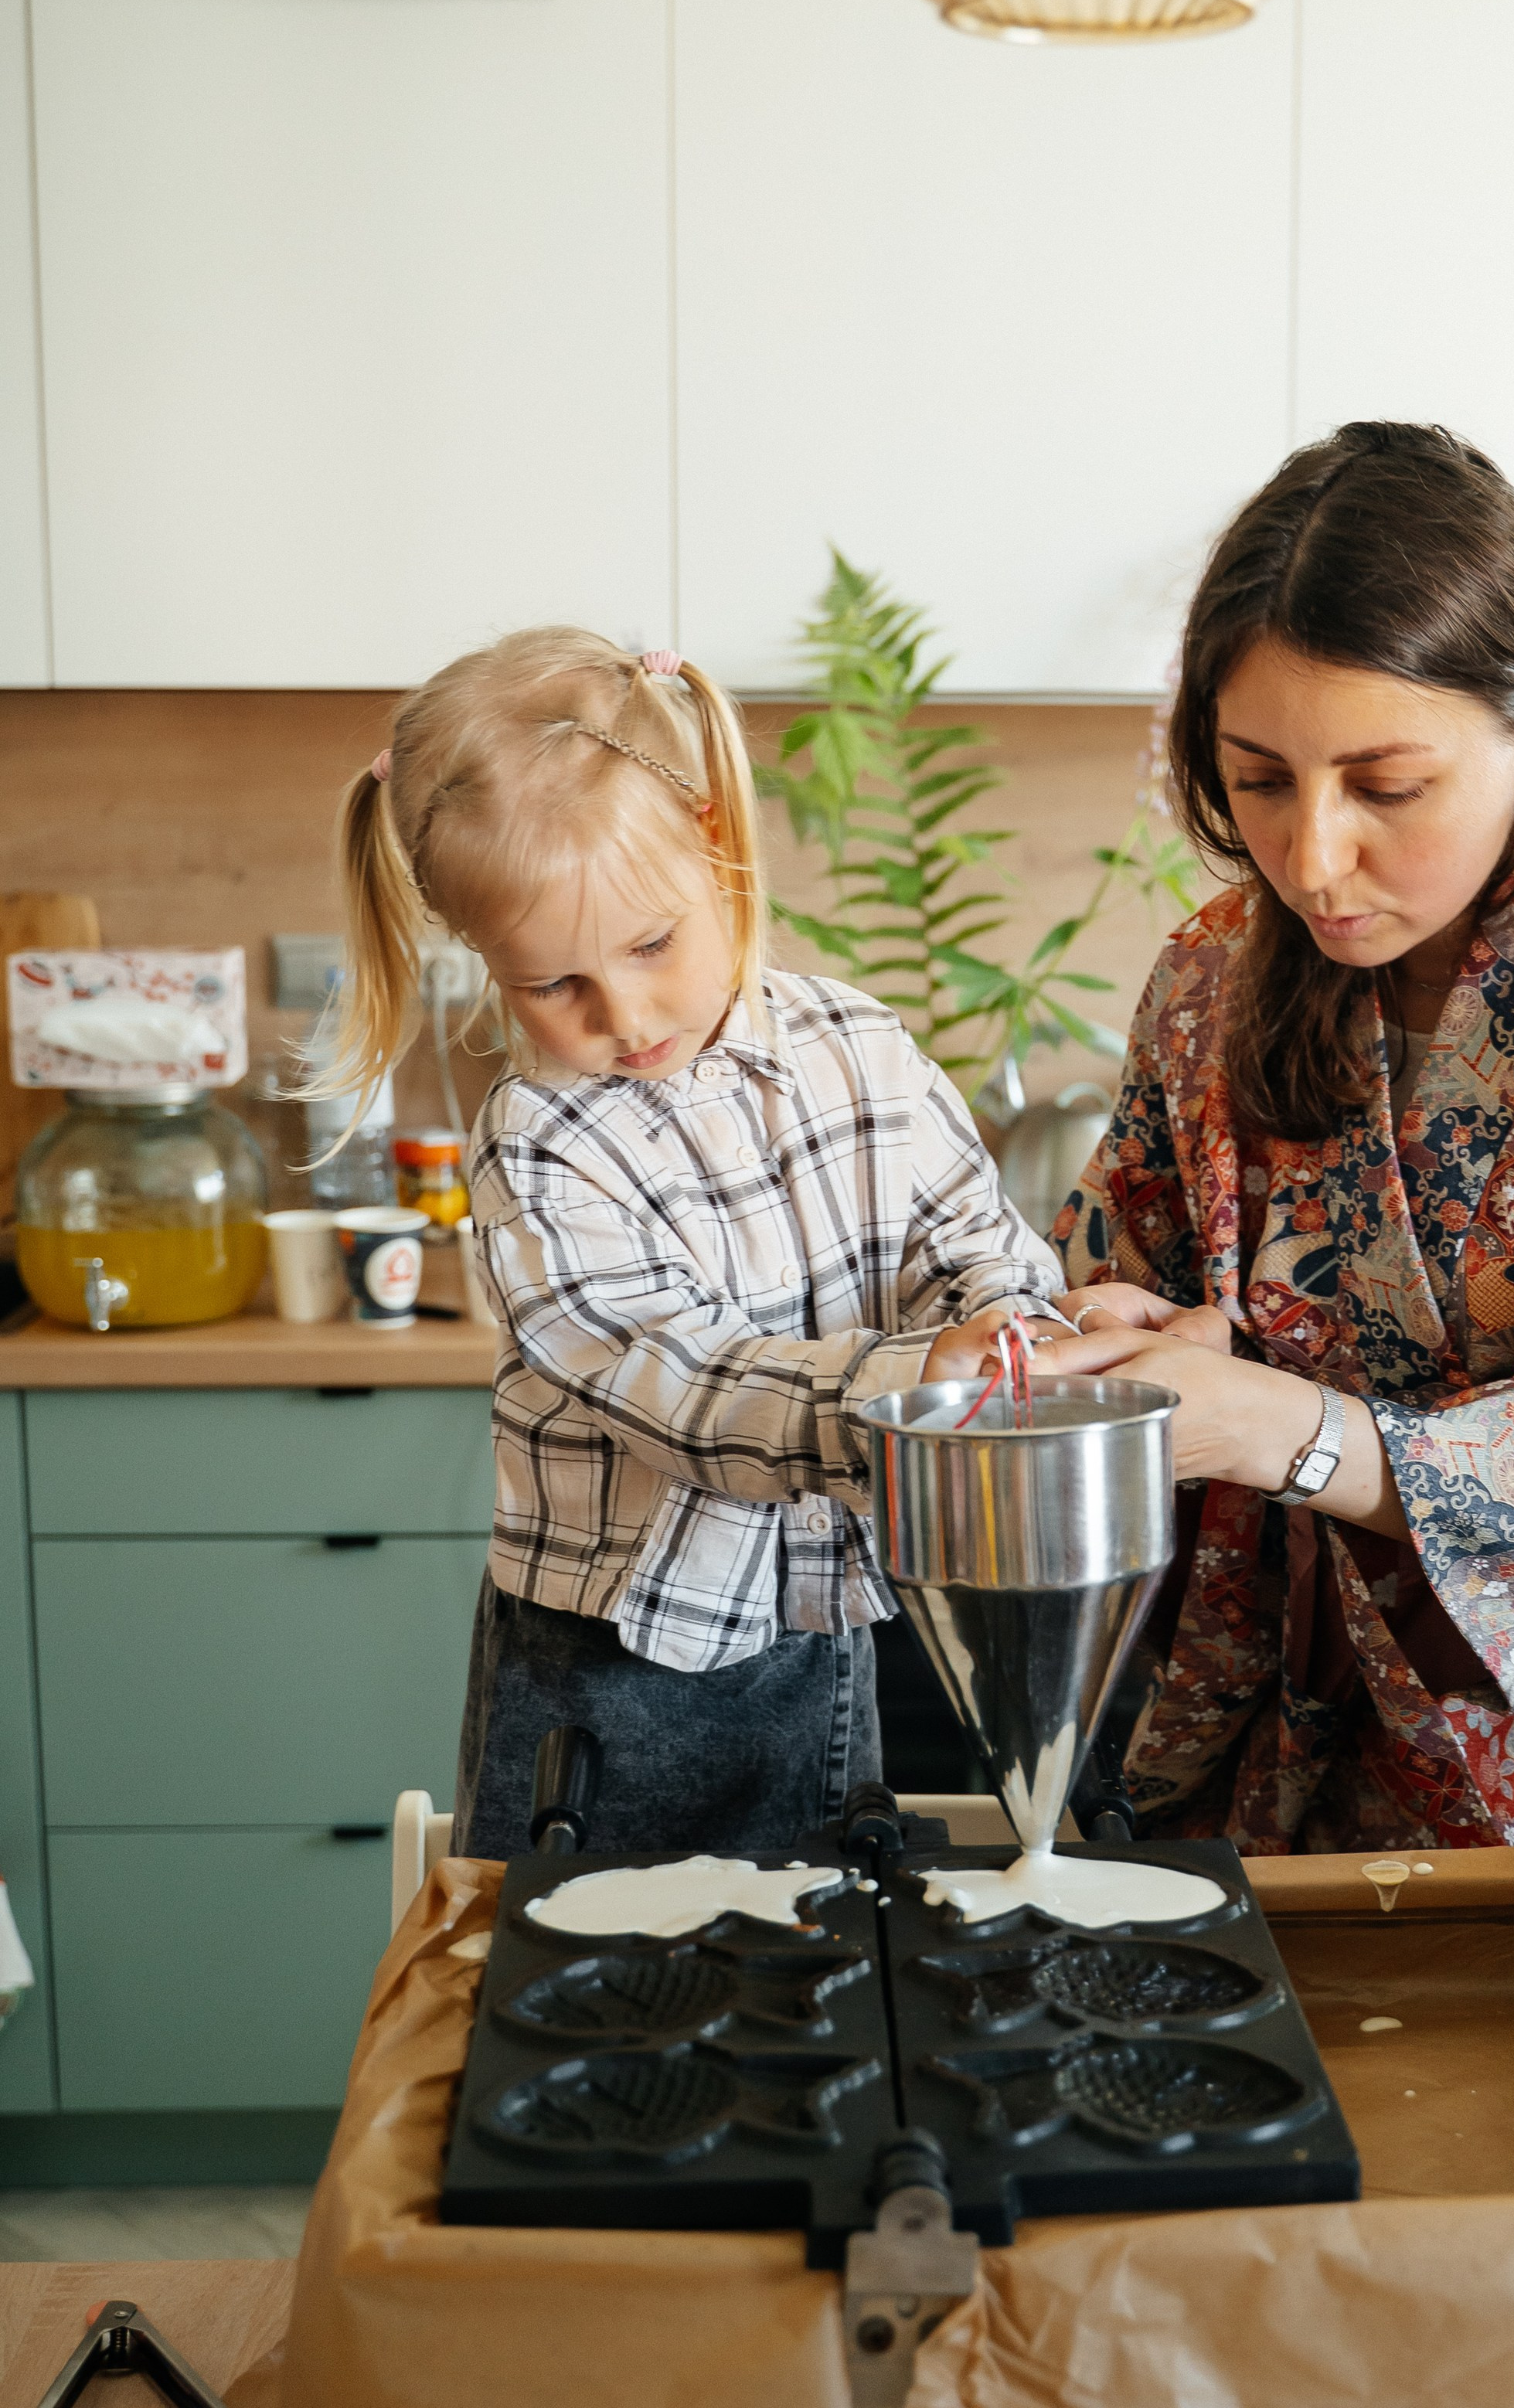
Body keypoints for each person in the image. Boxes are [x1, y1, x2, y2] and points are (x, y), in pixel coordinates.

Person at [1039, 420, 1514, 1851]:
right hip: (1266, 1755)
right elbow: (1110, 1274)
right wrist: (1117, 1339)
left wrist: (1284, 1426)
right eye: (1257, 779)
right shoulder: (1210, 978)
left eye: (1386, 788)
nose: (1311, 858)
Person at [325, 627, 1063, 1859]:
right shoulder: (539, 1143)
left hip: (818, 1630)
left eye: (650, 946)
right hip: (610, 1667)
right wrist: (901, 1386)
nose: (622, 1016)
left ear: (718, 843)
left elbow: (968, 1239)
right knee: (593, 2004)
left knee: (797, 1985)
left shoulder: (858, 1045)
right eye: (551, 985)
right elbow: (676, 1388)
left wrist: (1008, 1322)